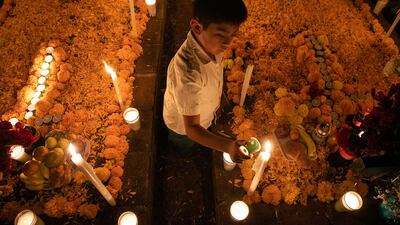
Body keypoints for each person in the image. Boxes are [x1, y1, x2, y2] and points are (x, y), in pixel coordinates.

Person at [163, 0, 249, 162]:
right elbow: (192, 128)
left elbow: (214, 71)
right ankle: (182, 156)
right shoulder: (188, 73)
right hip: (182, 126)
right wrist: (228, 146)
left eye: (233, 34)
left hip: (200, 114)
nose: (228, 42)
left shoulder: (211, 45)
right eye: (221, 35)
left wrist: (218, 97)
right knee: (184, 143)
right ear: (197, 27)